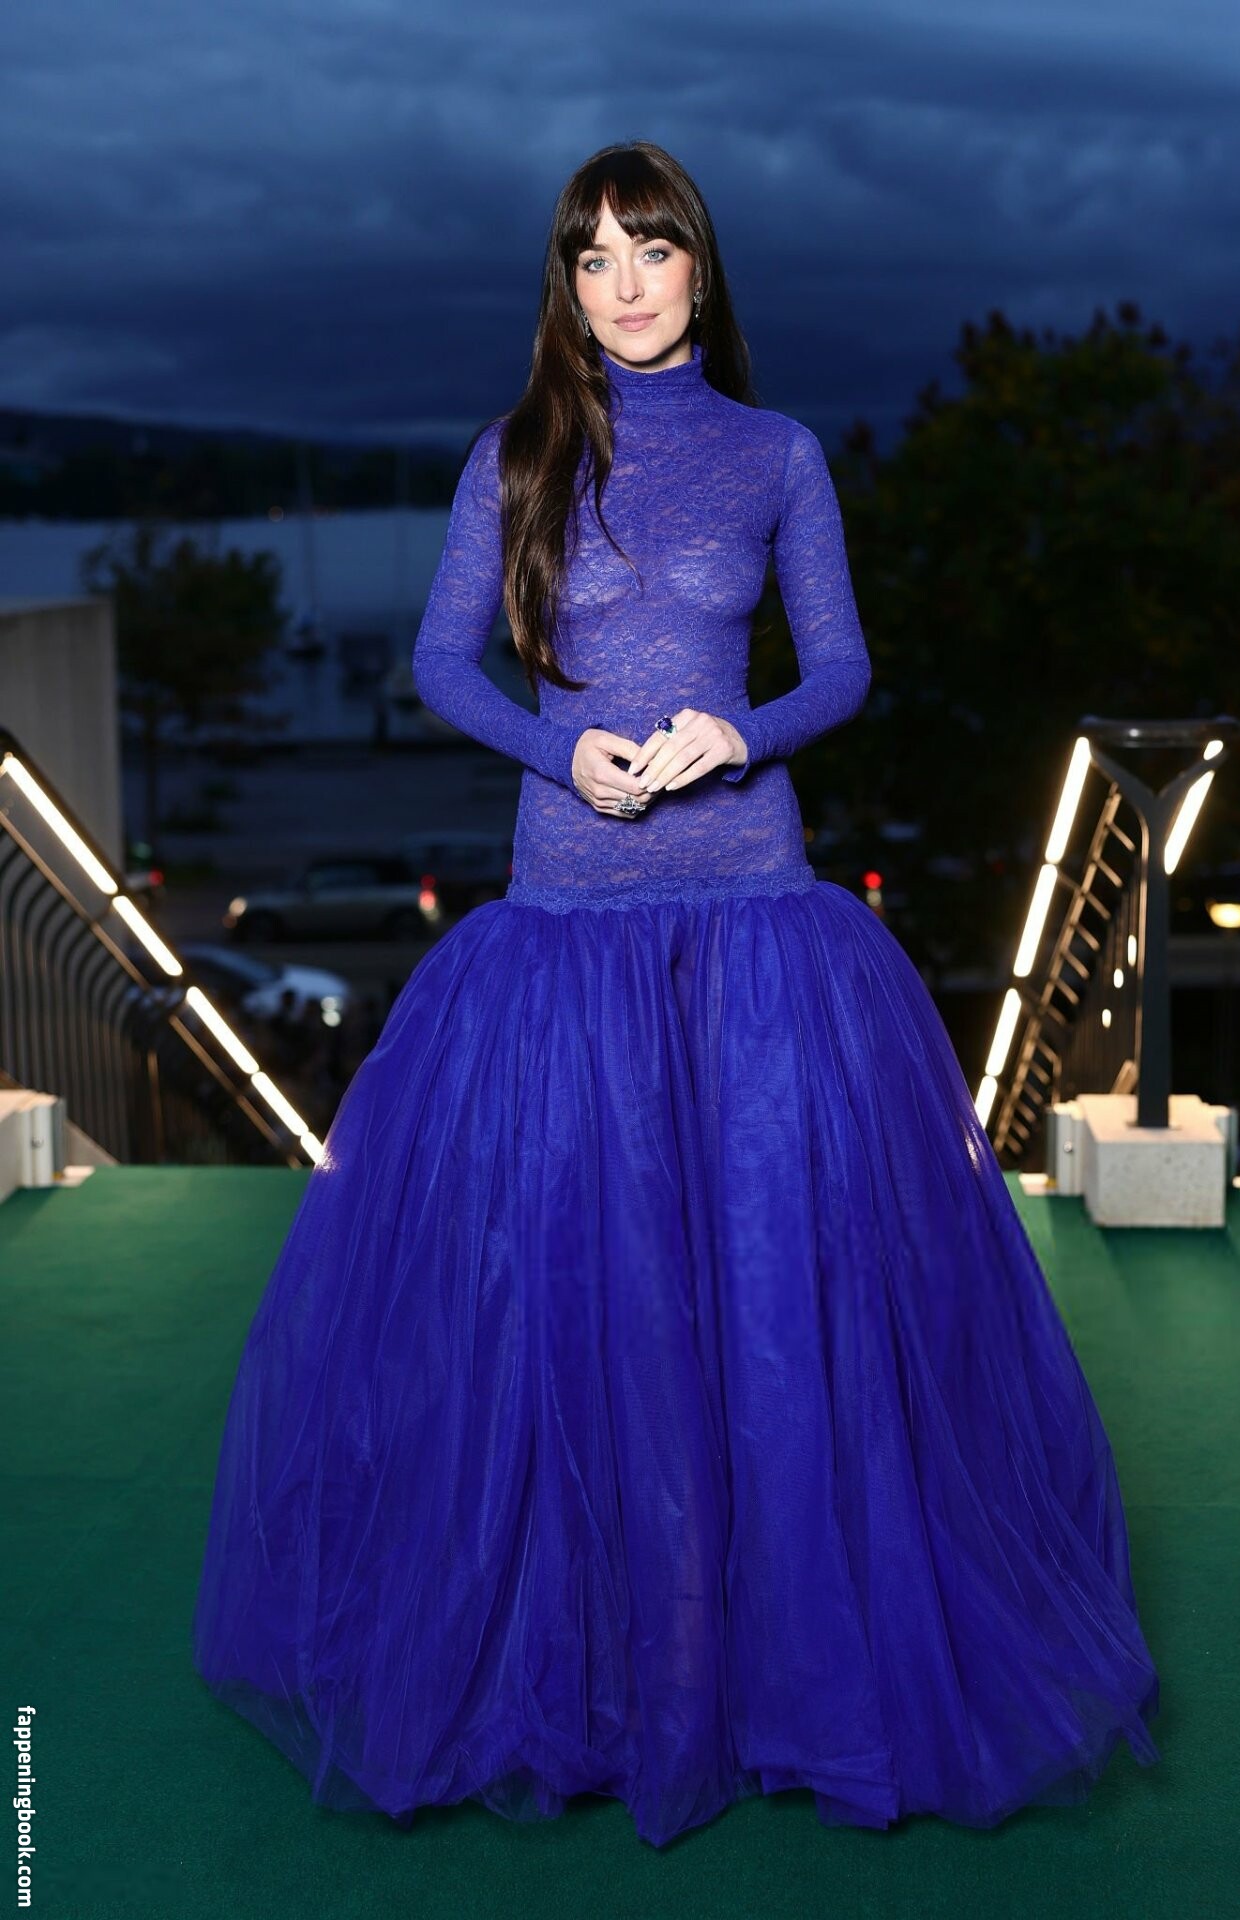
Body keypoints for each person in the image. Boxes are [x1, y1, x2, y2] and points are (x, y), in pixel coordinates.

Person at [191, 140, 1160, 1850]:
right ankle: (601, 1683)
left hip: (756, 927)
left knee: (773, 1314)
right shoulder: (513, 456)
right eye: (591, 257)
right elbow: (436, 663)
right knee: (578, 1311)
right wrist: (557, 746)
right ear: (564, 288)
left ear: (700, 269)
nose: (623, 283)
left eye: (650, 249)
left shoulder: (775, 455)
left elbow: (841, 667)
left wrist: (741, 731)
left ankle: (790, 1678)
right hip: (563, 926)